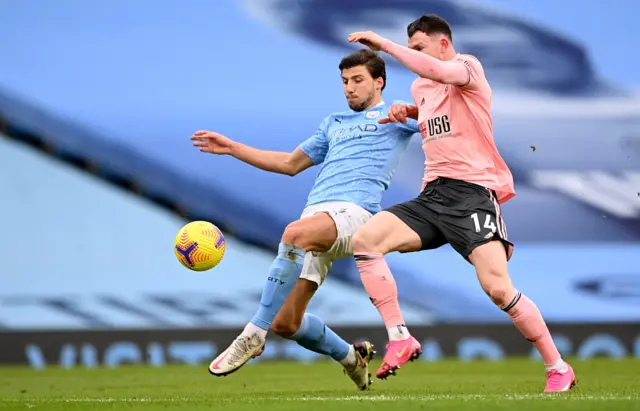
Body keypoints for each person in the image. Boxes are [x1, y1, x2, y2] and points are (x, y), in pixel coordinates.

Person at [346, 15, 576, 392]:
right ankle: (400, 336)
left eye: (420, 47)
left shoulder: (466, 66)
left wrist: (384, 44)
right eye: (411, 48)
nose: (416, 56)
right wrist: (413, 112)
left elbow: (440, 72)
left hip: (472, 195)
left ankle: (557, 367)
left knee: (499, 289)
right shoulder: (422, 87)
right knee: (365, 241)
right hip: (433, 195)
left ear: (442, 44)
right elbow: (446, 114)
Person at [190, 49, 419, 390]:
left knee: (294, 234)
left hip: (356, 215)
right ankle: (350, 357)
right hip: (318, 218)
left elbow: (445, 115)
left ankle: (252, 334)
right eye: (344, 81)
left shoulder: (395, 115)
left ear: (379, 82)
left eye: (358, 80)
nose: (349, 88)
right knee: (285, 322)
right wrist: (232, 147)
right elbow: (288, 164)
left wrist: (414, 110)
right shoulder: (334, 123)